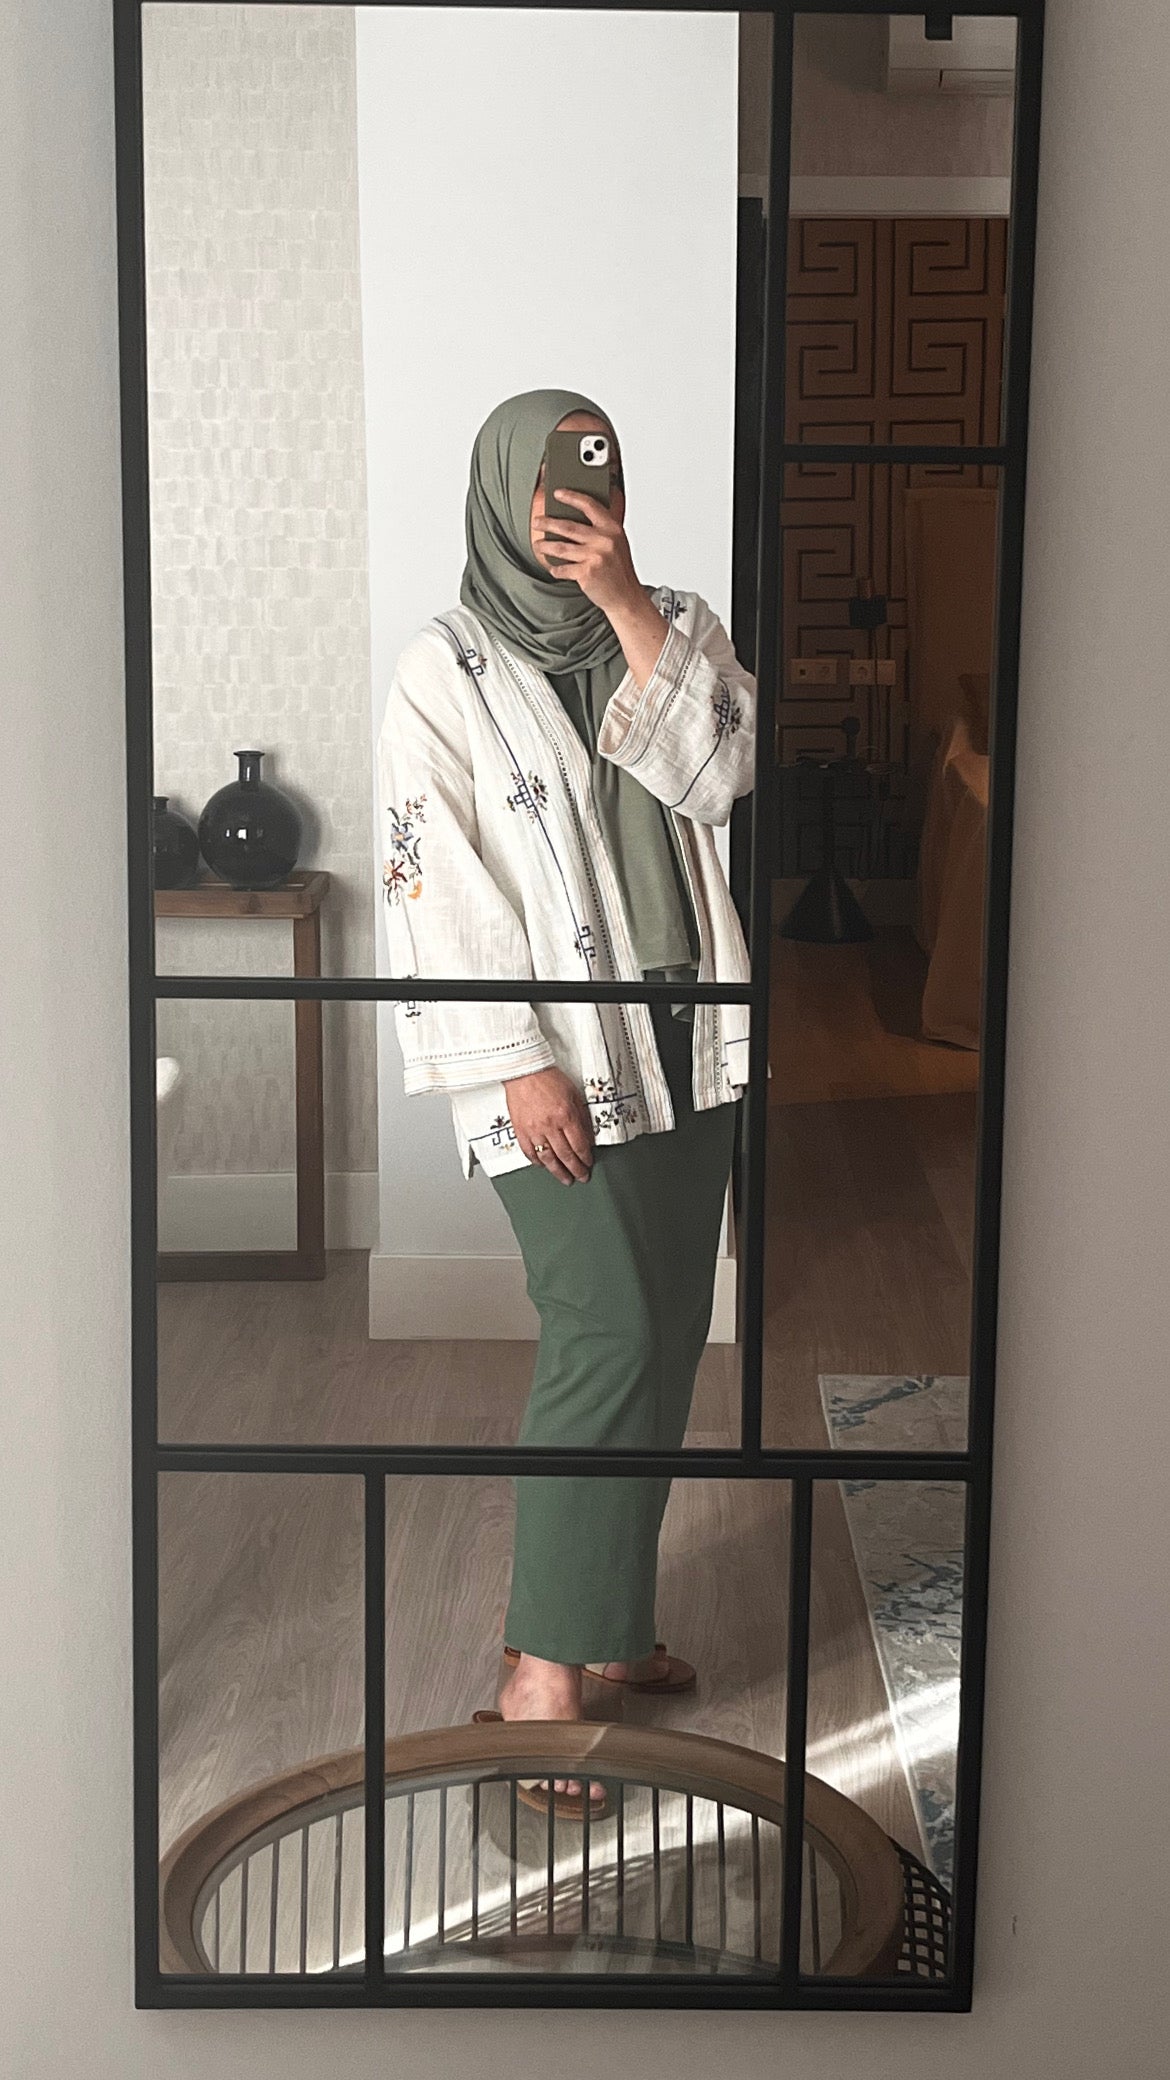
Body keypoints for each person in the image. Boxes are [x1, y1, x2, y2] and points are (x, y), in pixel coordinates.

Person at [377, 388, 755, 1813]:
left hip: (690, 1036)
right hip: (551, 1056)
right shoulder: (445, 666)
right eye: (550, 476)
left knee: (666, 1334)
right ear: (500, 491)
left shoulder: (679, 626)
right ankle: (544, 1667)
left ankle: (612, 1619)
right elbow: (432, 875)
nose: (573, 500)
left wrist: (627, 601)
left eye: (597, 468)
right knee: (604, 1327)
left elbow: (723, 776)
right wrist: (514, 1061)